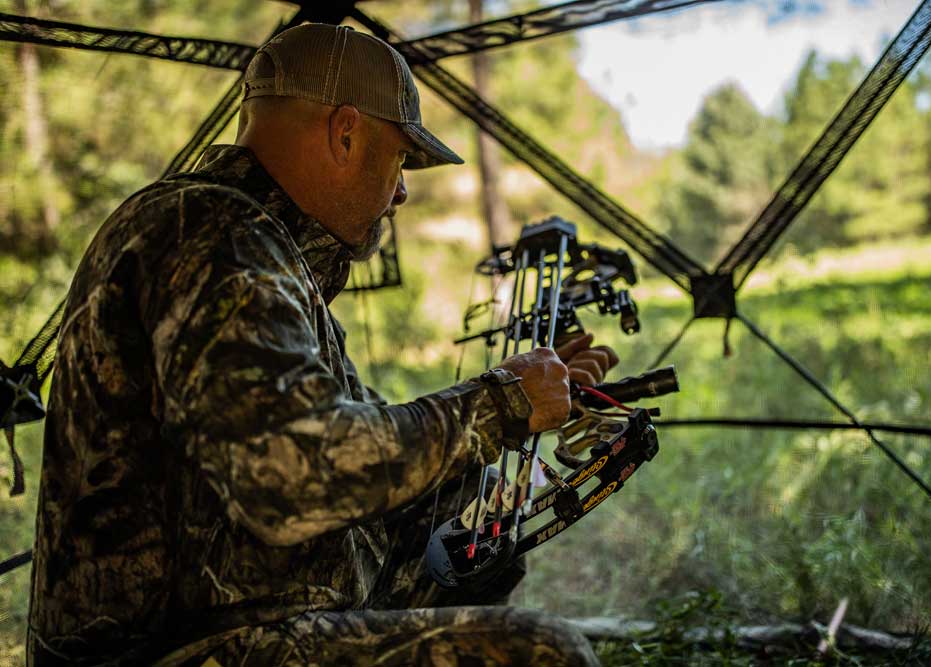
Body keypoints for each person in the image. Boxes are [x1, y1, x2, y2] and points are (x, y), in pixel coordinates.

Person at [27, 24, 618, 667]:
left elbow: (363, 443)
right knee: (542, 652)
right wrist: (500, 404)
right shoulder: (215, 236)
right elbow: (294, 481)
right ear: (344, 133)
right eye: (399, 160)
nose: (401, 192)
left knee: (470, 529)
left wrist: (529, 410)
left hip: (244, 607)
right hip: (168, 648)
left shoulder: (257, 244)